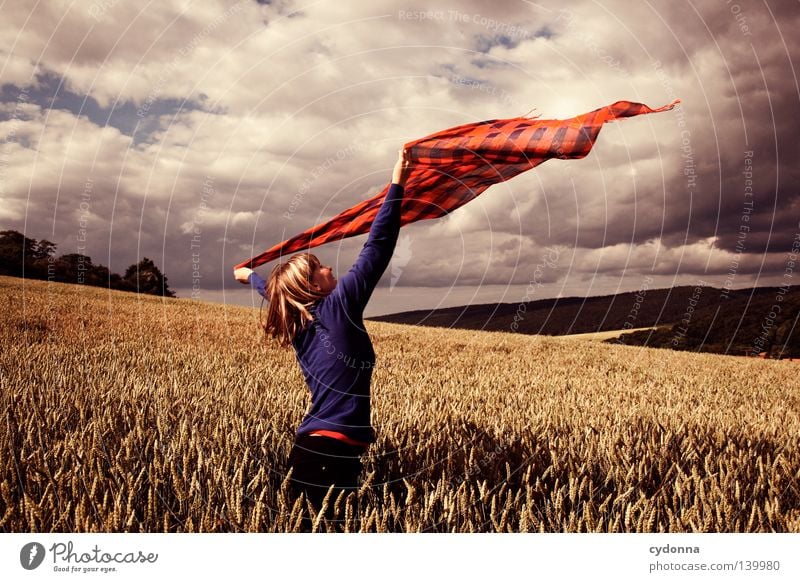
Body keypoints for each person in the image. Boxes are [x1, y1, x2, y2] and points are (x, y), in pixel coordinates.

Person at [234, 148, 412, 517]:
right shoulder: (339, 305)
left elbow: (273, 292)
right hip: (329, 451)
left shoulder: (296, 319)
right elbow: (377, 246)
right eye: (319, 268)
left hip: (319, 447)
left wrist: (250, 276)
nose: (329, 267)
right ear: (311, 287)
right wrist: (398, 183)